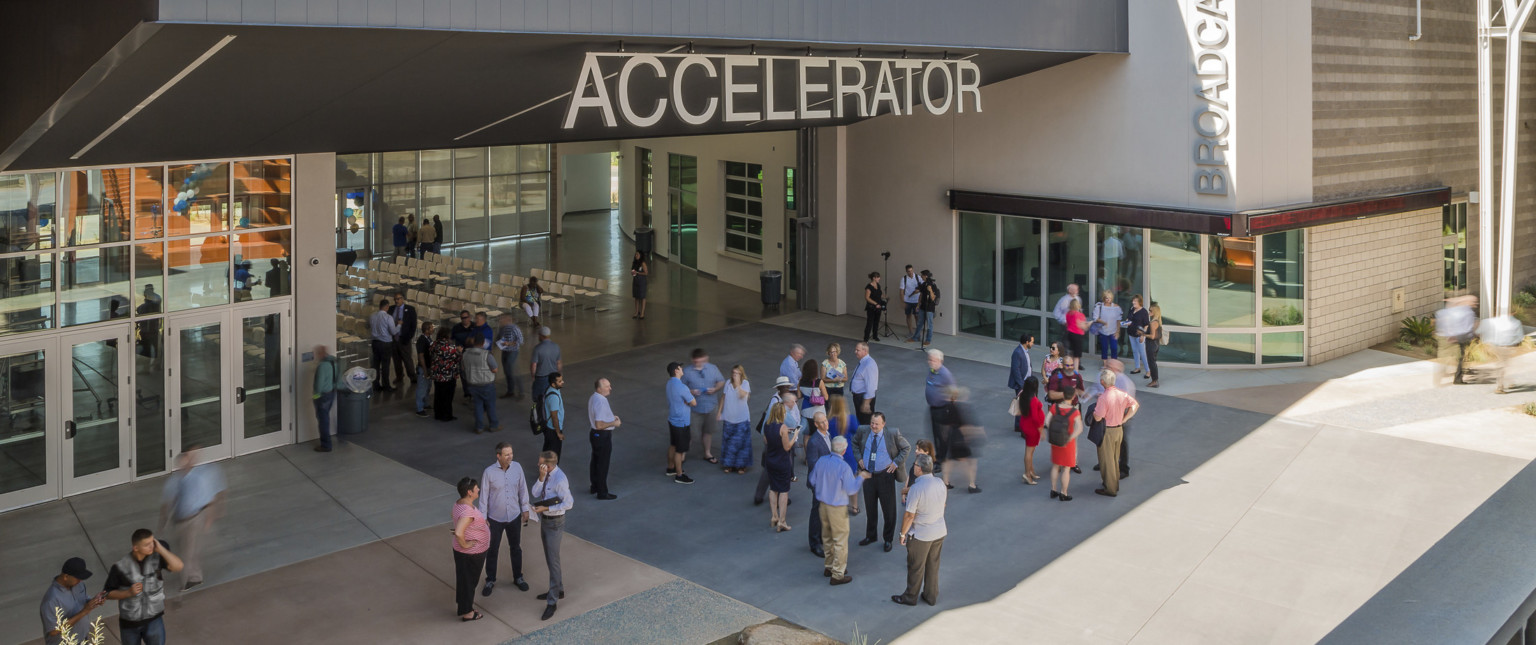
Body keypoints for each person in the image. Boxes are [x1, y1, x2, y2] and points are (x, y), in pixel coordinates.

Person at [158, 451, 225, 592]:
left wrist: (209, 519)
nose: (185, 467)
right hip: (178, 520)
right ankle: (194, 576)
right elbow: (167, 503)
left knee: (188, 552)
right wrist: (162, 523)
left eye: (187, 463)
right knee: (184, 550)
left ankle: (185, 583)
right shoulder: (174, 481)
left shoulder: (198, 480)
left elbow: (209, 500)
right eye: (182, 464)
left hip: (194, 519)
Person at [104, 528, 184, 645]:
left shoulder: (157, 558)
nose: (151, 546)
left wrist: (161, 549)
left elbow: (178, 567)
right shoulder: (120, 567)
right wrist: (127, 593)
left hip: (154, 620)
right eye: (147, 544)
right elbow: (107, 593)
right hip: (129, 624)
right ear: (136, 548)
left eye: (152, 542)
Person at [810, 435, 871, 585]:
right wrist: (861, 477)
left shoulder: (821, 461)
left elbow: (812, 480)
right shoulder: (844, 467)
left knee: (827, 537)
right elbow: (851, 489)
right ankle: (837, 574)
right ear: (844, 451)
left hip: (823, 505)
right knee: (840, 541)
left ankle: (829, 566)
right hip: (837, 508)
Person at [891, 453, 945, 607]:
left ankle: (910, 597)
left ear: (919, 469)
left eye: (914, 465)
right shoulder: (940, 483)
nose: (913, 467)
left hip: (921, 534)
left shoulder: (916, 488)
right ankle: (931, 595)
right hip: (939, 531)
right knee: (933, 565)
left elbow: (909, 515)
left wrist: (903, 534)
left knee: (916, 566)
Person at [479, 443, 531, 597]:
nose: (511, 457)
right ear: (498, 456)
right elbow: (483, 498)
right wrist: (483, 519)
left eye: (512, 453)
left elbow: (523, 488)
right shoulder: (489, 472)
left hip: (514, 516)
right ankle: (490, 580)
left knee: (515, 547)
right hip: (495, 519)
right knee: (492, 549)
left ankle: (518, 577)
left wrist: (525, 508)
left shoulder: (517, 468)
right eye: (507, 454)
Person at [854, 412, 911, 552]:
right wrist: (859, 458)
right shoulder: (863, 430)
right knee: (870, 507)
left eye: (877, 424)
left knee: (888, 509)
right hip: (868, 475)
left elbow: (906, 448)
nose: (873, 426)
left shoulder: (892, 433)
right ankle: (871, 535)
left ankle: (888, 539)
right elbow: (854, 443)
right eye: (872, 423)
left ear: (883, 424)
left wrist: (896, 463)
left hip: (885, 476)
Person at [532, 451, 572, 621]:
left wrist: (546, 509)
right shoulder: (546, 475)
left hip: (554, 522)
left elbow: (569, 503)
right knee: (550, 558)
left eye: (540, 464)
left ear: (548, 465)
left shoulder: (560, 480)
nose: (538, 465)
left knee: (553, 561)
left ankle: (552, 601)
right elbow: (535, 493)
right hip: (545, 520)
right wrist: (541, 478)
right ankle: (558, 589)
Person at [1092, 370, 1139, 498]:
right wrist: (1125, 418)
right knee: (1114, 458)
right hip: (1119, 429)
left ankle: (1110, 488)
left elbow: (1097, 417)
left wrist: (1094, 412)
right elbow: (1135, 405)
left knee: (1107, 460)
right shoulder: (1121, 394)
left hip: (1107, 431)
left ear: (1102, 382)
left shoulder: (1103, 397)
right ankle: (1114, 483)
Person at [754, 383, 801, 506]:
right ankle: (781, 496)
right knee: (782, 473)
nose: (794, 404)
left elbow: (766, 427)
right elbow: (788, 441)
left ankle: (759, 495)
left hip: (772, 447)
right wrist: (794, 435)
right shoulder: (783, 412)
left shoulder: (775, 408)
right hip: (782, 446)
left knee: (768, 471)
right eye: (792, 402)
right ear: (787, 402)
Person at [40, 557, 103, 645]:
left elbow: (84, 600)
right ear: (66, 576)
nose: (80, 580)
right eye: (78, 578)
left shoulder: (79, 585)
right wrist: (84, 612)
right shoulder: (51, 600)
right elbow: (53, 631)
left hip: (82, 639)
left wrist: (95, 600)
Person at [451, 477, 489, 622]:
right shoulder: (467, 511)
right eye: (476, 488)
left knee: (464, 580)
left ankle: (464, 606)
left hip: (464, 554)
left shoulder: (459, 503)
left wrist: (481, 524)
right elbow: (459, 532)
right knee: (469, 582)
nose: (478, 489)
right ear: (469, 492)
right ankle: (467, 612)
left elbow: (460, 520)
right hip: (470, 554)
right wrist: (466, 544)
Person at [682, 348, 726, 464]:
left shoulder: (713, 368)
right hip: (693, 408)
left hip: (710, 405)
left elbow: (721, 381)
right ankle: (682, 454)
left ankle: (707, 453)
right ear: (692, 360)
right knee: (689, 433)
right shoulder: (686, 372)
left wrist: (715, 389)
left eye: (701, 361)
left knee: (708, 431)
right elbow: (680, 389)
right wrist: (691, 392)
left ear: (706, 359)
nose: (699, 363)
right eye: (696, 361)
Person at [763, 402, 800, 531]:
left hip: (771, 460)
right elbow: (787, 447)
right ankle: (782, 521)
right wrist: (794, 434)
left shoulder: (767, 425)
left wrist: (784, 433)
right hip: (782, 461)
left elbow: (766, 441)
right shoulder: (783, 427)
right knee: (784, 491)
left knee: (773, 488)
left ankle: (774, 516)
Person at [939, 387, 982, 493]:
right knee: (970, 461)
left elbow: (943, 423)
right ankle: (972, 485)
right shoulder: (964, 407)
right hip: (961, 437)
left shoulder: (948, 406)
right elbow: (967, 425)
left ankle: (946, 482)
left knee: (948, 460)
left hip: (950, 436)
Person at [804, 412, 835, 557]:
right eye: (821, 422)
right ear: (816, 424)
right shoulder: (814, 441)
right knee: (817, 512)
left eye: (825, 421)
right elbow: (813, 464)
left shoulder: (828, 435)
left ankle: (823, 537)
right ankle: (814, 543)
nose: (825, 424)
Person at [1046, 390, 1084, 502]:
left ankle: (1053, 490)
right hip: (1068, 443)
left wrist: (1054, 432)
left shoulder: (1054, 408)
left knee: (1055, 466)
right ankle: (1064, 492)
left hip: (1055, 441)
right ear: (1072, 397)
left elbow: (1047, 421)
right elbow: (1080, 428)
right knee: (1066, 469)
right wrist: (1070, 437)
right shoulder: (1074, 412)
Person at [827, 397, 862, 515]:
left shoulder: (830, 421)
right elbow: (858, 432)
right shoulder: (850, 419)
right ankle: (855, 507)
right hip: (849, 453)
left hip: (835, 454)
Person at [588, 378, 621, 499]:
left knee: (595, 460)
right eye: (607, 386)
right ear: (599, 388)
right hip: (602, 435)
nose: (610, 388)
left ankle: (595, 486)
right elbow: (599, 425)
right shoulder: (601, 401)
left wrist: (611, 417)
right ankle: (602, 492)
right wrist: (614, 423)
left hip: (594, 434)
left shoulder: (594, 397)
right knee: (603, 463)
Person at [923, 349, 956, 474]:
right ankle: (939, 457)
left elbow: (954, 392)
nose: (930, 362)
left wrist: (949, 407)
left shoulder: (945, 374)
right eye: (929, 359)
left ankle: (942, 460)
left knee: (942, 436)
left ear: (940, 361)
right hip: (933, 408)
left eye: (933, 360)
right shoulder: (932, 371)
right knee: (936, 434)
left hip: (942, 409)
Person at [664, 361, 697, 483]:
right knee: (680, 450)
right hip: (682, 422)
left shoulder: (669, 384)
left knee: (673, 444)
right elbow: (694, 403)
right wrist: (689, 398)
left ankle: (670, 468)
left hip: (672, 419)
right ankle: (679, 475)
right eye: (680, 367)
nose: (682, 369)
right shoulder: (682, 387)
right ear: (676, 371)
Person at [1435, 295, 1479, 386]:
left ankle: (1451, 377)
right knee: (1455, 358)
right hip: (1456, 337)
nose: (1476, 304)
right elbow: (1466, 328)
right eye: (1474, 302)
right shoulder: (1466, 312)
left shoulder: (1455, 310)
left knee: (1454, 358)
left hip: (1450, 336)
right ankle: (1455, 378)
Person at [462, 336, 500, 434]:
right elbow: (495, 369)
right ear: (483, 343)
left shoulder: (465, 354)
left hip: (472, 385)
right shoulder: (486, 354)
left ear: (473, 342)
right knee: (490, 405)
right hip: (487, 385)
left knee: (478, 406)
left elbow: (463, 368)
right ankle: (493, 425)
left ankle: (479, 427)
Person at [720, 365, 753, 474]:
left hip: (741, 418)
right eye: (733, 373)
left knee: (741, 442)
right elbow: (723, 397)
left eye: (737, 373)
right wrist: (719, 411)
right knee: (728, 441)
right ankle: (729, 464)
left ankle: (741, 466)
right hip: (729, 417)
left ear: (741, 374)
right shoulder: (728, 383)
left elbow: (743, 396)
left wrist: (738, 384)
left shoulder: (745, 384)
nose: (735, 375)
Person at [1481, 314, 1525, 394]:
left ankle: (1509, 382)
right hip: (1506, 347)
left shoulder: (1495, 321)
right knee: (1503, 366)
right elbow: (1520, 337)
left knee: (1503, 365)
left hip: (1495, 346)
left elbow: (1485, 329)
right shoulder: (1516, 322)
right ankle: (1500, 387)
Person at [312, 345, 341, 452]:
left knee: (323, 420)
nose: (316, 355)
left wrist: (315, 397)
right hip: (331, 393)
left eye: (317, 353)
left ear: (321, 353)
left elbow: (318, 385)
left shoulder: (322, 366)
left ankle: (326, 445)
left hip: (323, 396)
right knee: (326, 417)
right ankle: (326, 443)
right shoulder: (334, 362)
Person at [1017, 378, 1046, 484]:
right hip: (1032, 428)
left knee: (1030, 451)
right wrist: (1041, 431)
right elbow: (1035, 417)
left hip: (1026, 424)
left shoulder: (1023, 394)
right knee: (1029, 452)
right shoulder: (1033, 399)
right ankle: (1027, 474)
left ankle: (1031, 471)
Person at [389, 294, 420, 389]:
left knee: (407, 359)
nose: (396, 301)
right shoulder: (391, 309)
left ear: (402, 299)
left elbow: (413, 325)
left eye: (398, 299)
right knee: (396, 359)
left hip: (404, 338)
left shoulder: (410, 309)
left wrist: (409, 337)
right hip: (393, 338)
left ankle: (412, 376)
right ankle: (399, 376)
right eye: (395, 299)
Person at [431, 329, 462, 421]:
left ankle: (438, 414)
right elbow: (457, 359)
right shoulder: (450, 347)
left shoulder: (434, 344)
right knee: (448, 397)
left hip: (437, 375)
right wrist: (459, 351)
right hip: (448, 375)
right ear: (446, 337)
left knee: (438, 395)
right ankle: (446, 415)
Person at [368, 299, 398, 391]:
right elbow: (393, 331)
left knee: (376, 365)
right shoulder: (388, 317)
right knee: (385, 365)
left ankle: (376, 385)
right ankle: (386, 385)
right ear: (387, 307)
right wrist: (399, 325)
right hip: (386, 344)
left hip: (375, 343)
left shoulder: (372, 316)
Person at [906, 270, 940, 347]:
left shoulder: (932, 285)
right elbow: (921, 294)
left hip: (929, 308)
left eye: (922, 275)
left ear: (926, 276)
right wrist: (918, 305)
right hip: (922, 307)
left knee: (929, 325)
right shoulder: (924, 284)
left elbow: (933, 298)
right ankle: (915, 337)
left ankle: (928, 340)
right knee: (919, 323)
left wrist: (930, 290)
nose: (921, 277)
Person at [495, 314, 525, 400]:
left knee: (512, 371)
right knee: (507, 371)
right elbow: (498, 338)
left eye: (502, 319)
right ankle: (510, 391)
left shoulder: (514, 328)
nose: (500, 321)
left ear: (508, 320)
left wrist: (509, 343)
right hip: (504, 351)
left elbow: (521, 341)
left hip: (513, 351)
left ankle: (521, 391)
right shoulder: (502, 328)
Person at [849, 342, 879, 426]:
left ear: (865, 351)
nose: (855, 352)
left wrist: (866, 403)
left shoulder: (869, 364)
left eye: (857, 350)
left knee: (865, 422)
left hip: (863, 398)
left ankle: (865, 438)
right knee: (861, 420)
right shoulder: (864, 362)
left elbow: (871, 386)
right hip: (859, 397)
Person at [529, 327, 561, 404]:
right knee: (553, 397)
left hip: (541, 377)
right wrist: (559, 374)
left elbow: (534, 364)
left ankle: (541, 413)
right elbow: (559, 363)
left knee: (539, 398)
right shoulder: (556, 346)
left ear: (541, 336)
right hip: (553, 376)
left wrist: (533, 375)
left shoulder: (537, 348)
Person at [1091, 290, 1124, 362]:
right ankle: (1105, 364)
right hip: (1103, 331)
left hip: (1113, 331)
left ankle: (1113, 363)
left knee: (1114, 348)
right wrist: (1104, 322)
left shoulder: (1116, 307)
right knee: (1104, 347)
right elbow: (1095, 318)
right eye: (1106, 298)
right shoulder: (1099, 306)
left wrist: (1118, 331)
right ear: (1103, 298)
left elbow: (1118, 320)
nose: (1108, 299)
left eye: (1110, 298)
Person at [900, 439, 935, 504]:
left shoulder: (927, 467)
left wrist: (904, 491)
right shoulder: (918, 461)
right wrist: (905, 489)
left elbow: (920, 486)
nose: (916, 451)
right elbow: (910, 475)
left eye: (919, 450)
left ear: (926, 452)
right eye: (916, 448)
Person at [541, 372, 567, 456]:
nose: (562, 382)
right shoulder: (554, 397)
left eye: (561, 380)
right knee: (554, 454)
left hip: (549, 428)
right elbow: (554, 416)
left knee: (547, 449)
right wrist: (558, 433)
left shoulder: (552, 389)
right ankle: (550, 469)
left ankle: (543, 466)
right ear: (553, 384)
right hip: (553, 429)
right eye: (559, 381)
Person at [415, 322, 437, 417]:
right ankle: (419, 409)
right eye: (431, 328)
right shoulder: (422, 340)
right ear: (427, 330)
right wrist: (424, 370)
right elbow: (421, 356)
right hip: (423, 368)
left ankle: (425, 404)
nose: (433, 329)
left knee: (427, 387)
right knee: (422, 389)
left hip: (429, 366)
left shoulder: (428, 339)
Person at [1126, 295, 1151, 375]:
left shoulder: (1144, 312)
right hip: (1131, 334)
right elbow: (1128, 319)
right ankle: (1137, 368)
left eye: (1135, 301)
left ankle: (1148, 371)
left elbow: (1146, 325)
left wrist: (1143, 335)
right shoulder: (1131, 309)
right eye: (1133, 301)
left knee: (1142, 353)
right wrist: (1126, 322)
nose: (1133, 302)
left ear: (1140, 302)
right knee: (1135, 351)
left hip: (1139, 335)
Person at [1008, 333, 1035, 397]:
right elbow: (1015, 370)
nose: (1033, 344)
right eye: (1032, 342)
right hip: (1022, 384)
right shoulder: (1017, 352)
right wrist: (1022, 385)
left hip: (1027, 382)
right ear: (1027, 342)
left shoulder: (1025, 351)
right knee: (1022, 404)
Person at [862, 271, 886, 343]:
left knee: (876, 322)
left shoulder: (878, 285)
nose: (879, 278)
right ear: (874, 278)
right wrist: (875, 304)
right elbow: (867, 298)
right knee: (870, 323)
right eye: (878, 277)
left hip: (878, 307)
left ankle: (875, 336)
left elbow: (880, 294)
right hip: (871, 307)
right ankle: (866, 338)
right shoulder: (869, 287)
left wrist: (885, 297)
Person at [899, 264, 921, 338]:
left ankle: (918, 333)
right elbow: (901, 292)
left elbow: (923, 287)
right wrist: (903, 302)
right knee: (908, 316)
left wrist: (919, 290)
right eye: (908, 271)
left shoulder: (918, 277)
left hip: (917, 301)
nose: (910, 272)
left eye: (911, 270)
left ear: (913, 270)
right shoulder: (904, 279)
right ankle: (911, 332)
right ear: (906, 271)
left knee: (917, 316)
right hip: (907, 301)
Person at [1146, 304, 1163, 388]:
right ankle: (1155, 380)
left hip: (1151, 345)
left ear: (1155, 312)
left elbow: (1152, 336)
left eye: (1151, 310)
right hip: (1156, 344)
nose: (1149, 312)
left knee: (1151, 363)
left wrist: (1143, 334)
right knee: (1153, 363)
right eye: (1149, 310)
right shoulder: (1158, 322)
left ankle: (1154, 381)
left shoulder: (1153, 323)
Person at [630, 250, 649, 319]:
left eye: (637, 255)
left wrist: (638, 273)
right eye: (635, 255)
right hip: (635, 281)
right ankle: (636, 311)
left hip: (642, 281)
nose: (636, 256)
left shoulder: (643, 263)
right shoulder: (634, 263)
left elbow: (646, 273)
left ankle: (642, 313)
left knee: (642, 297)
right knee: (636, 297)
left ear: (640, 255)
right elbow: (632, 271)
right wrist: (633, 273)